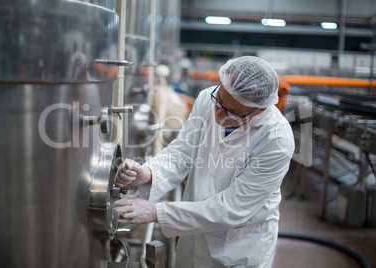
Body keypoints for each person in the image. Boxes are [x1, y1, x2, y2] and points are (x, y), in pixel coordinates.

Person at [113, 56, 295, 267]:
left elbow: (232, 208)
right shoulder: (206, 98)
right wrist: (149, 173)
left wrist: (157, 212)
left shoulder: (276, 138)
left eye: (232, 112)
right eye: (219, 100)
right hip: (193, 236)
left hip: (237, 246)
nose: (217, 113)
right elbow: (182, 151)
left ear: (259, 111)